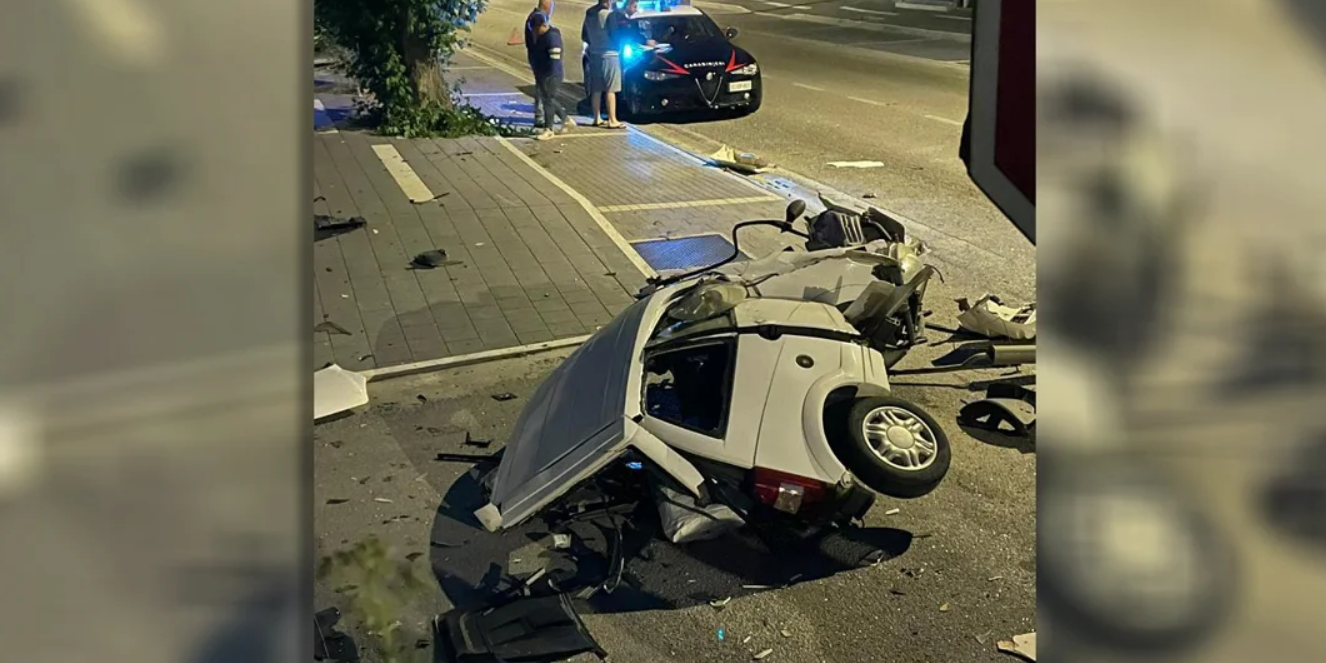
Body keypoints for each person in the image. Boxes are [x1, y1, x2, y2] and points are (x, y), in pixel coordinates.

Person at [529, 12, 574, 140]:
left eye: (535, 30)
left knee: (548, 100)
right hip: (544, 74)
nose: (535, 33)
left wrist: (549, 76)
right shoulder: (543, 36)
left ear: (541, 26)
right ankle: (566, 119)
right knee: (548, 99)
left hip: (551, 75)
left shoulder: (552, 37)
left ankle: (549, 129)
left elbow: (554, 60)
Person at [581, 0, 624, 128]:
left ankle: (596, 118)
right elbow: (615, 35)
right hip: (610, 54)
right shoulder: (610, 15)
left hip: (594, 54)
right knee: (611, 88)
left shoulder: (589, 13)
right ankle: (612, 119)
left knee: (596, 88)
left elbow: (584, 35)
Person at [525, 0, 555, 125]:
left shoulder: (536, 16)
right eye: (552, 7)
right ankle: (540, 116)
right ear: (547, 6)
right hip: (539, 57)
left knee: (541, 85)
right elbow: (537, 38)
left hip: (536, 56)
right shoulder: (539, 18)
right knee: (542, 86)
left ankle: (541, 115)